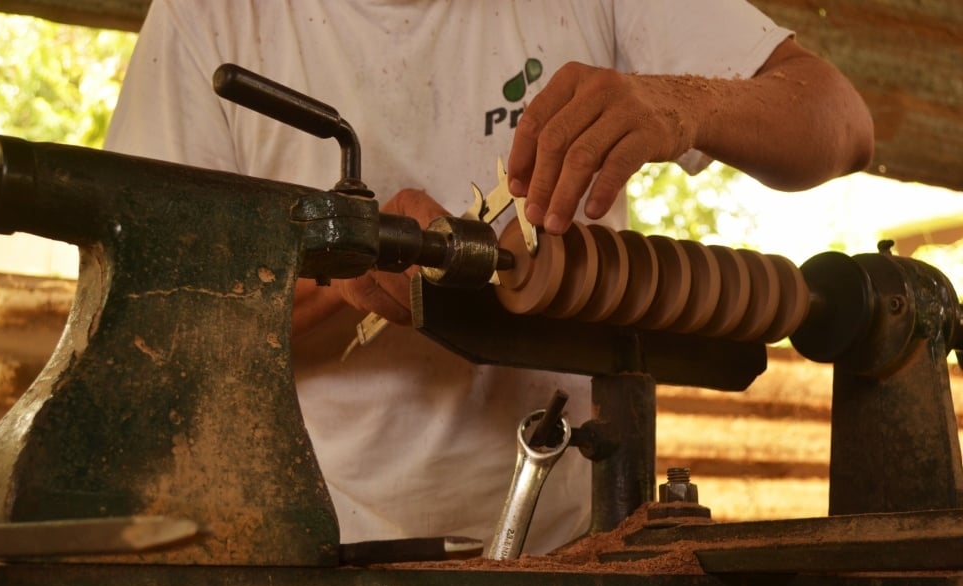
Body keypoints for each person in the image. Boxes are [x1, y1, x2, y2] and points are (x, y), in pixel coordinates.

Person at [104, 1, 873, 554]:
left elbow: (841, 124)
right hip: (314, 547)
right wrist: (340, 274)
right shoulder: (210, 21)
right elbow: (143, 332)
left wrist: (679, 103)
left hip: (579, 547)